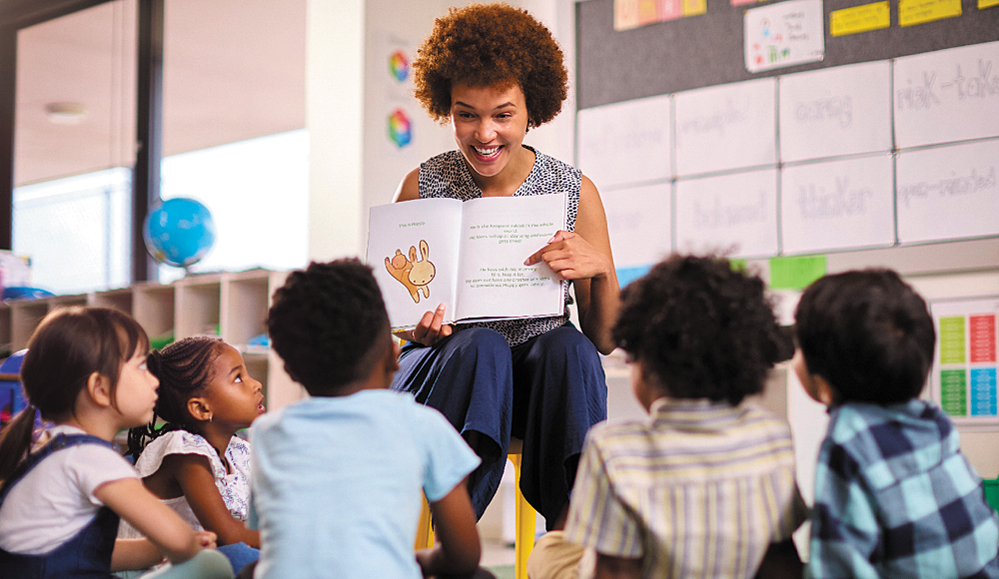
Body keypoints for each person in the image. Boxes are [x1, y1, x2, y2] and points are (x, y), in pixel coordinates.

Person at [391, 1, 620, 532]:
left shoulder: (572, 191)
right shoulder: (421, 185)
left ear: (531, 109)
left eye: (503, 114)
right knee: (483, 346)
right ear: (447, 108)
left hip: (539, 382)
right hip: (450, 372)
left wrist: (601, 270)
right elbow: (395, 327)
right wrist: (420, 332)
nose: (484, 133)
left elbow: (605, 339)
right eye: (466, 113)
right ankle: (455, 537)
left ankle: (570, 533)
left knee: (570, 346)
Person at [550, 255, 806, 579]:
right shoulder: (772, 435)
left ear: (645, 364)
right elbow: (781, 561)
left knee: (550, 551)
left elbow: (614, 571)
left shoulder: (613, 449)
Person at [248, 259, 492, 578]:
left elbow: (272, 541)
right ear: (393, 354)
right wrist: (419, 562)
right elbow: (463, 557)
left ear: (291, 369)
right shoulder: (421, 424)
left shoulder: (266, 433)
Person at [793, 269, 999, 579]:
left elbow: (837, 565)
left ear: (824, 386)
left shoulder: (848, 439)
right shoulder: (933, 422)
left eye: (799, 347)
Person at [0, 306, 232, 579]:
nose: (154, 380)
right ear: (99, 389)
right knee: (214, 566)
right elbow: (179, 540)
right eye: (141, 367)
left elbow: (85, 555)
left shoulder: (52, 448)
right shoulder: (92, 458)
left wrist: (153, 549)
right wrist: (189, 544)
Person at [123, 336, 265, 575]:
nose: (256, 384)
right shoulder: (182, 451)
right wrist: (291, 537)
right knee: (239, 556)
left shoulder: (239, 450)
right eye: (238, 378)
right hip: (153, 571)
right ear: (201, 408)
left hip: (201, 565)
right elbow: (228, 536)